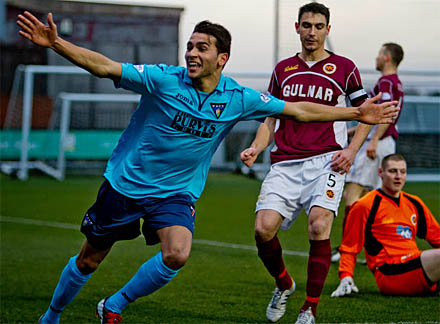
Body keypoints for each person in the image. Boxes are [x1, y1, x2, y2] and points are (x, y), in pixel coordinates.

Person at [17, 11, 398, 324]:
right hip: (126, 184)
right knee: (90, 259)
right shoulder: (163, 79)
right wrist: (57, 43)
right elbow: (105, 67)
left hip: (176, 193)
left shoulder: (237, 97)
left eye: (202, 48)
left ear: (222, 58)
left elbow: (297, 110)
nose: (192, 54)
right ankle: (52, 316)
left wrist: (353, 112)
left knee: (177, 253)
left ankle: (113, 306)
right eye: (189, 47)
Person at [240, 3, 375, 323]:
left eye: (318, 26)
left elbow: (366, 113)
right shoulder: (282, 70)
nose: (311, 32)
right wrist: (257, 147)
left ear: (328, 29)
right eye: (306, 25)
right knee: (263, 230)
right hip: (285, 163)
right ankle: (283, 283)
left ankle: (309, 309)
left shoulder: (345, 67)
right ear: (297, 28)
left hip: (327, 161)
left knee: (318, 225)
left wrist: (352, 151)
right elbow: (270, 118)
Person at [332, 43, 405, 263]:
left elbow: (385, 115)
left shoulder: (386, 82)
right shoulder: (395, 83)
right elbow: (372, 118)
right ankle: (371, 247)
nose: (376, 57)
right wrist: (351, 131)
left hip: (378, 143)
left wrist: (373, 140)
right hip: (384, 141)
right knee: (369, 198)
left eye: (379, 53)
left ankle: (348, 248)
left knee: (352, 194)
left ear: (387, 57)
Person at [331, 153, 440, 298]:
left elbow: (436, 237)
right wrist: (346, 276)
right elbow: (350, 247)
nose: (398, 176)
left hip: (415, 264)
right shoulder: (365, 205)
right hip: (389, 272)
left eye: (402, 172)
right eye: (393, 171)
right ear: (380, 173)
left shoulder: (414, 203)